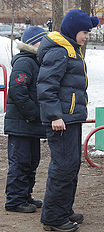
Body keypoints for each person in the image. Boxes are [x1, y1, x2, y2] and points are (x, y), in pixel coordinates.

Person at [37, 9, 99, 232]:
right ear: (73, 31)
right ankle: (53, 218)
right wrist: (55, 115)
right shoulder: (60, 51)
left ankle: (63, 210)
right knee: (63, 167)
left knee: (71, 166)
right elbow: (46, 86)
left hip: (70, 118)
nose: (87, 36)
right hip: (60, 120)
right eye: (85, 32)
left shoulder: (72, 49)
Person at [4, 26, 47, 213]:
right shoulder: (24, 62)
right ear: (33, 43)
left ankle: (25, 195)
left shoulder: (35, 61)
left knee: (31, 161)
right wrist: (32, 114)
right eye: (42, 41)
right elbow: (18, 91)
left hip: (30, 124)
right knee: (20, 162)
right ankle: (14, 200)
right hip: (21, 123)